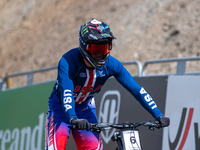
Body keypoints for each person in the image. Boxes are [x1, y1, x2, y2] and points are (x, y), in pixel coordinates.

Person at [45, 18, 170, 150]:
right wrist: (72, 118)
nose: (100, 54)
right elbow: (67, 93)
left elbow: (137, 90)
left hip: (85, 108)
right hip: (60, 109)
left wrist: (158, 114)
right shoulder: (67, 61)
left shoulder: (113, 65)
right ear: (84, 45)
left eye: (104, 48)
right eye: (95, 48)